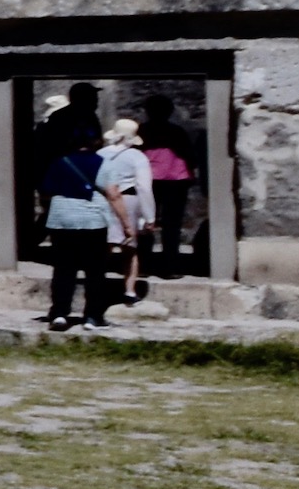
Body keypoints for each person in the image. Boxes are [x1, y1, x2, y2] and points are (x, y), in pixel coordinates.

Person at [37, 123, 128, 330]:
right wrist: (126, 225)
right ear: (96, 142)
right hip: (93, 221)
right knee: (95, 270)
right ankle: (92, 316)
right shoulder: (104, 164)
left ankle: (59, 313)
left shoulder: (59, 163)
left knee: (63, 269)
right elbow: (114, 195)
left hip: (62, 221)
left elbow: (46, 192)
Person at [100, 118, 156, 306]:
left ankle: (97, 286)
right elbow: (144, 187)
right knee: (130, 248)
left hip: (102, 199)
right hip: (128, 199)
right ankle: (129, 291)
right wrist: (150, 216)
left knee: (103, 246)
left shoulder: (100, 154)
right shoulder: (137, 157)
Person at [139, 97, 198, 267]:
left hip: (148, 180)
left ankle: (143, 263)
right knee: (172, 222)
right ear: (170, 111)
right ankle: (170, 264)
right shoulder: (177, 131)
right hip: (176, 180)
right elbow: (189, 156)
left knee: (146, 221)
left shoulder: (142, 131)